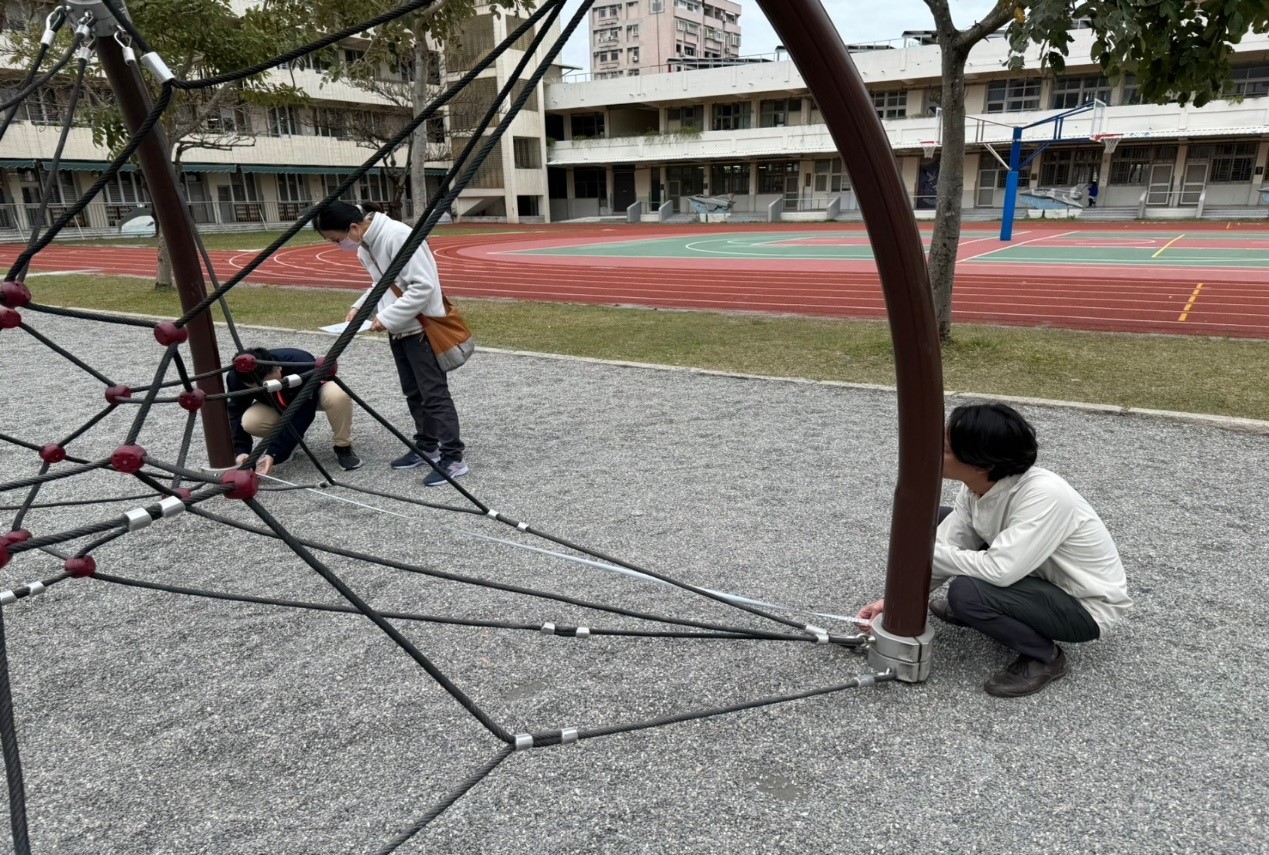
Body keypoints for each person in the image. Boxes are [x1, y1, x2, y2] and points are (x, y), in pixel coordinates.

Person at [857, 403, 1131, 698]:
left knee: (965, 593)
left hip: (1082, 606)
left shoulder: (1045, 494)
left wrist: (924, 552)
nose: (933, 451)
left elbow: (1000, 571)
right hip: (1032, 576)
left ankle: (1045, 657)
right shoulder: (975, 486)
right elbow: (949, 544)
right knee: (937, 523)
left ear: (980, 463)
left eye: (944, 449)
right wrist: (897, 603)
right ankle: (987, 609)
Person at [313, 201, 467, 487]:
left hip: (421, 327)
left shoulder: (396, 236)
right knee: (413, 392)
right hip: (400, 328)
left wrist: (385, 317)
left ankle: (453, 456)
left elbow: (423, 286)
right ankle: (428, 446)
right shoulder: (365, 245)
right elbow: (382, 283)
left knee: (434, 394)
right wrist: (361, 307)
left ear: (354, 227)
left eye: (337, 239)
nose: (338, 245)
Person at [227, 346, 360, 475]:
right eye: (270, 385)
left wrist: (273, 453)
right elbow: (236, 412)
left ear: (278, 366)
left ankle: (343, 446)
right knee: (250, 422)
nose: (277, 383)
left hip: (314, 395)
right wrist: (242, 451)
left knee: (337, 395)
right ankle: (293, 443)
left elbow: (304, 413)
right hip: (276, 404)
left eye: (276, 377)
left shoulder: (300, 362)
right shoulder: (236, 377)